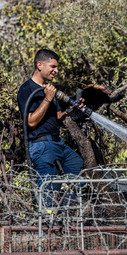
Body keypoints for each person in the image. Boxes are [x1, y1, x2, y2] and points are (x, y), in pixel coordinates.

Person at [17, 49, 84, 211]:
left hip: (58, 143)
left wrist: (74, 110)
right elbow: (31, 122)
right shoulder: (27, 89)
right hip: (41, 146)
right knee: (48, 190)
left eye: (57, 67)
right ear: (39, 65)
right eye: (52, 66)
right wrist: (47, 98)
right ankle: (49, 225)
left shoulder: (49, 88)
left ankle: (66, 211)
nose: (56, 70)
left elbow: (58, 116)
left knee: (79, 168)